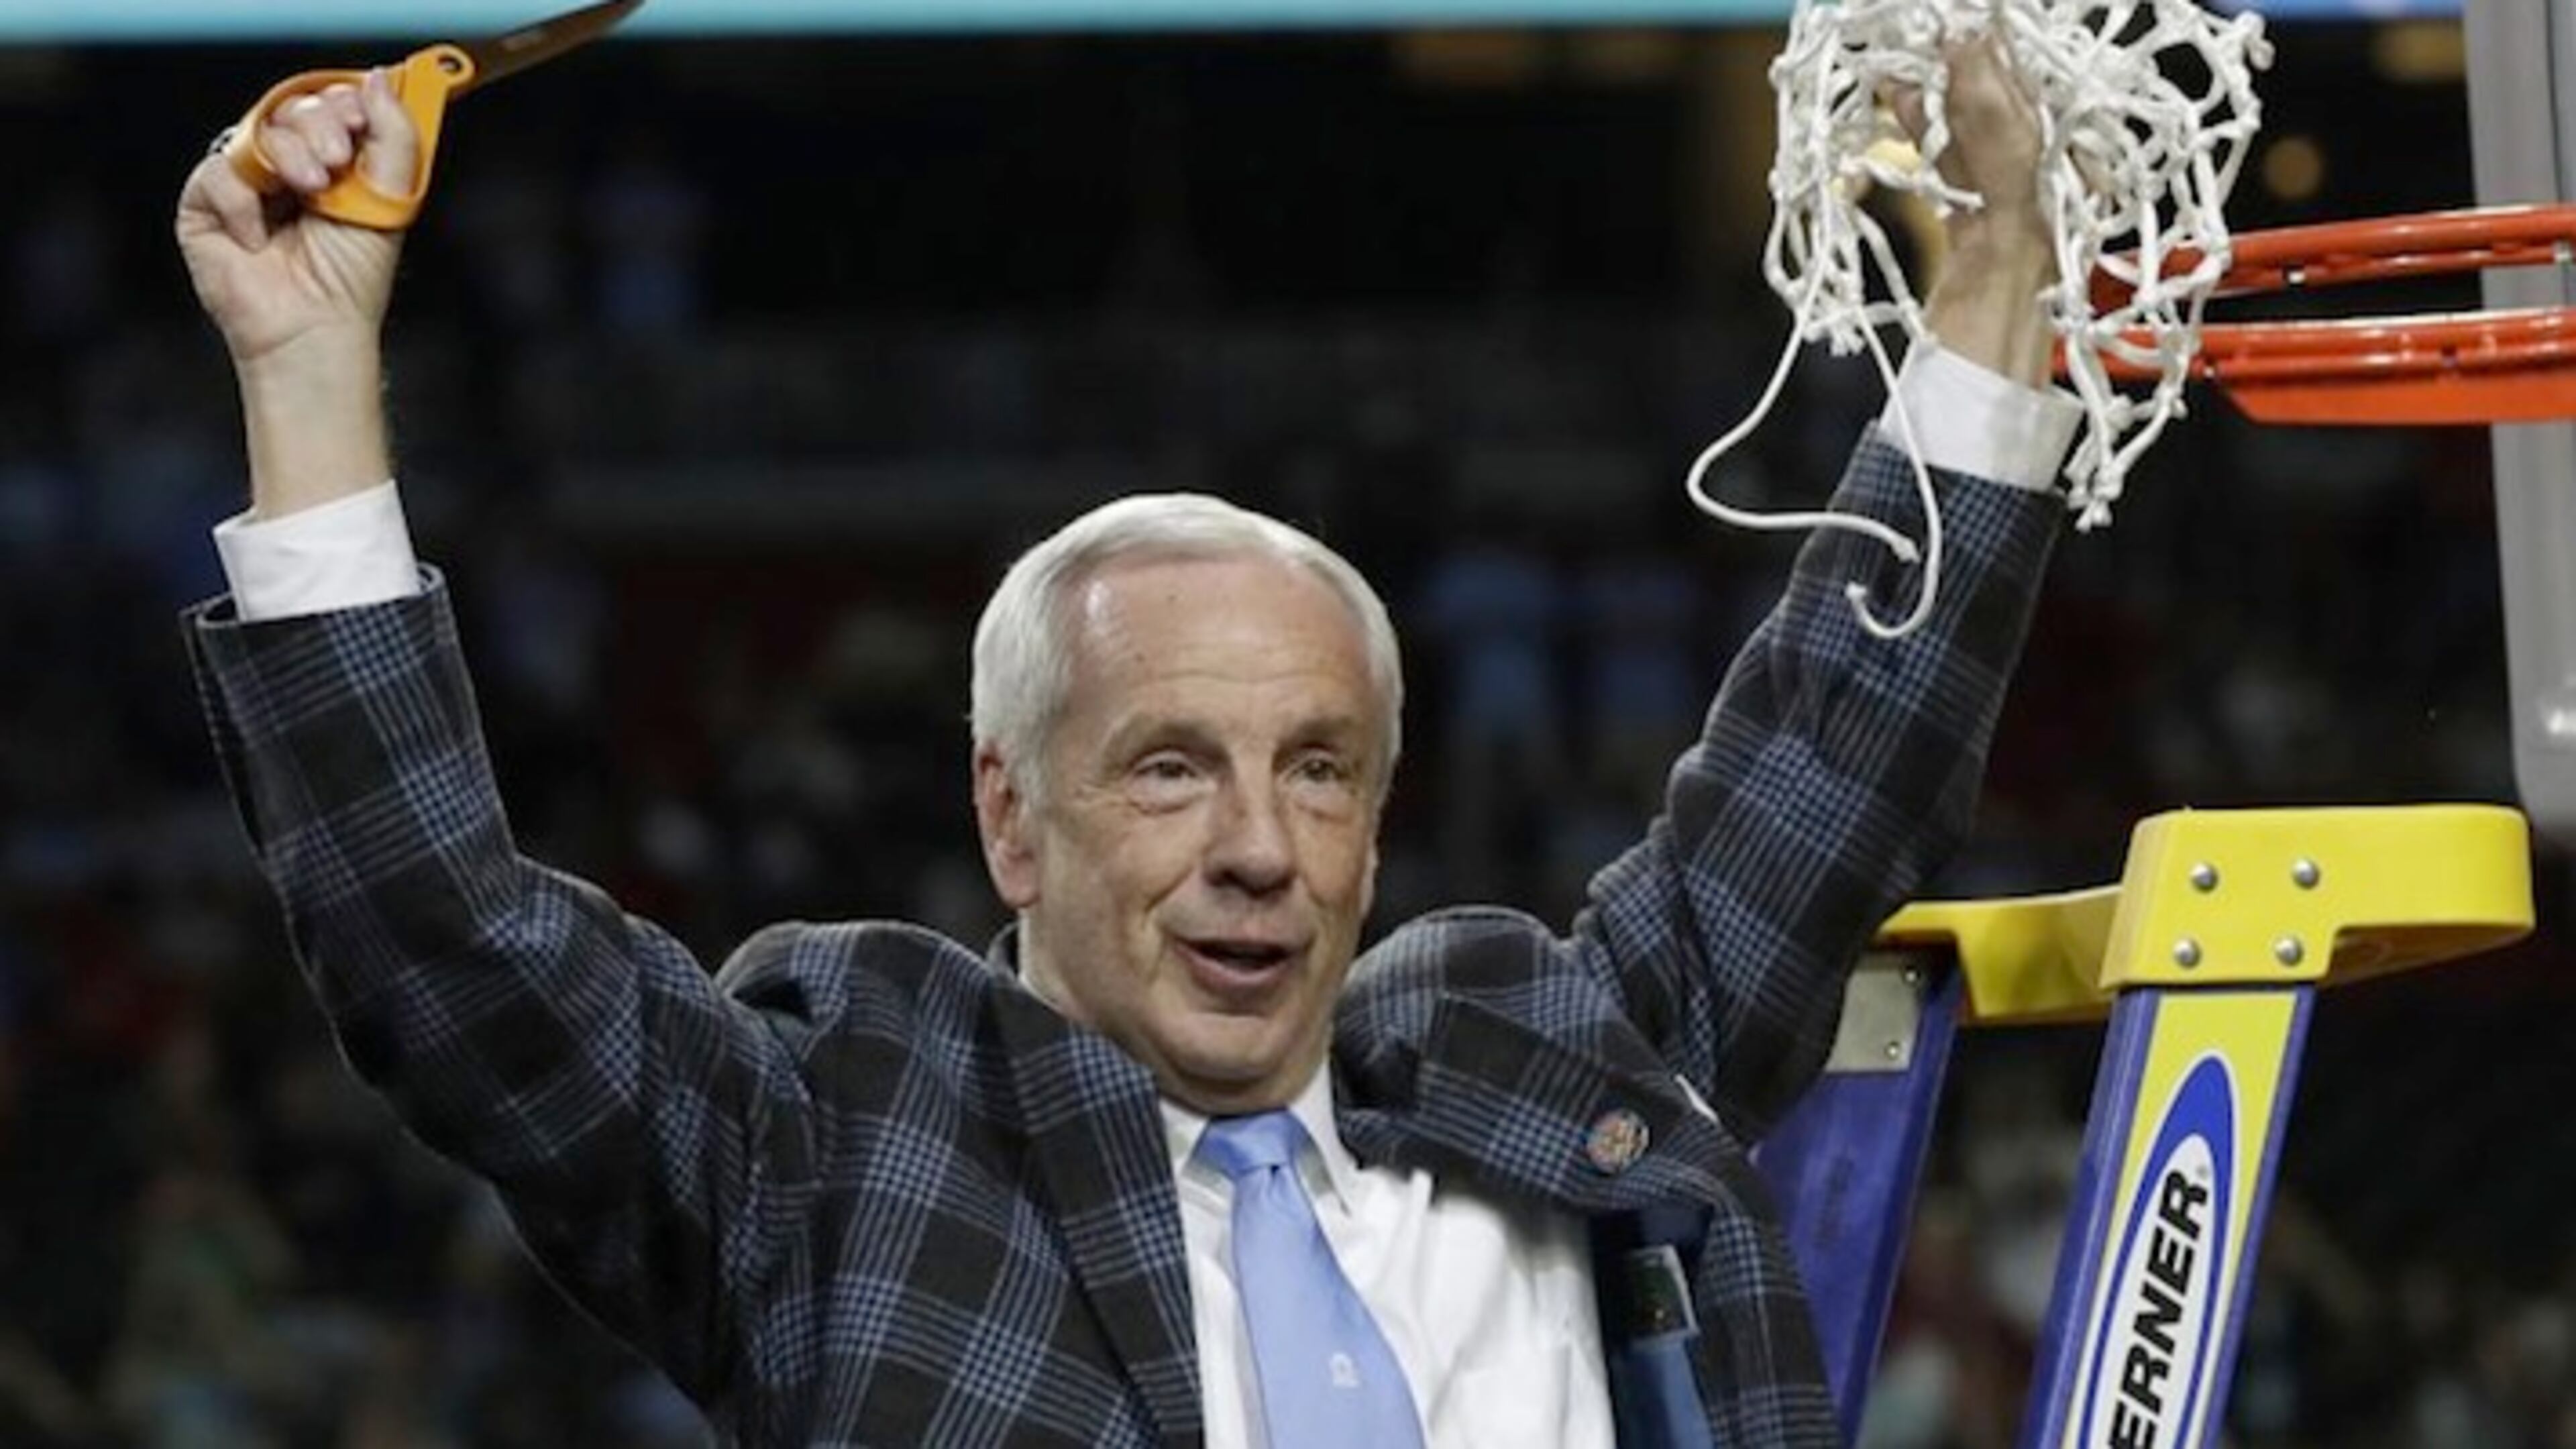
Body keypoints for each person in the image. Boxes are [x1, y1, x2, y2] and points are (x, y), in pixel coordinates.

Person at [174, 40, 2079, 1448]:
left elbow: (1839, 758)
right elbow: (440, 935)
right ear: (1012, 820)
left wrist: (1992, 282)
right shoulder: (833, 1154)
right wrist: (305, 368)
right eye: (1172, 767)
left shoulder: (1540, 1055)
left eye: (1317, 769)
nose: (1261, 844)